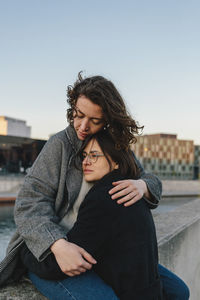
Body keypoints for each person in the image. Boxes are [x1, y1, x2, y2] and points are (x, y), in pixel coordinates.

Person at [0, 73, 189, 299]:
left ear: (107, 119)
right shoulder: (59, 145)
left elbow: (151, 179)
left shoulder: (113, 144)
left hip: (96, 247)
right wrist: (57, 245)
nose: (83, 126)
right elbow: (28, 203)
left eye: (94, 120)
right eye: (78, 115)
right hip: (48, 251)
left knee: (178, 292)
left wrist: (142, 185)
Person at [20, 131, 163, 299]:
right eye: (85, 155)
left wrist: (26, 253)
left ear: (116, 162)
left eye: (94, 156)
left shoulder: (106, 196)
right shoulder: (131, 188)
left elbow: (64, 263)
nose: (86, 162)